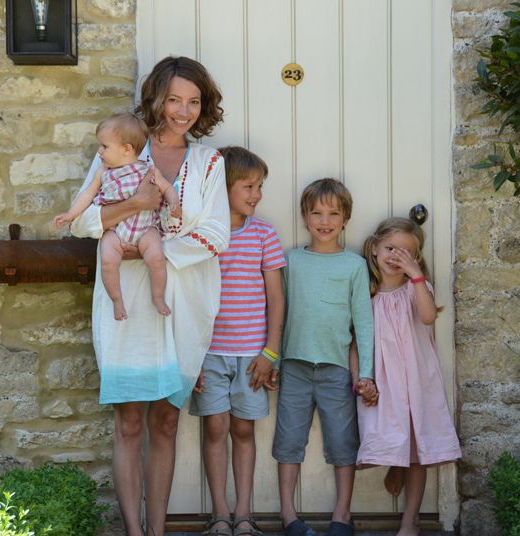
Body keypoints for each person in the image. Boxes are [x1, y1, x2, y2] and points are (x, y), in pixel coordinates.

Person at [69, 56, 230, 536]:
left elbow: (217, 233)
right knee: (129, 423)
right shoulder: (118, 152)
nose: (183, 111)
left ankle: (157, 532)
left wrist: (148, 251)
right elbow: (82, 222)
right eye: (174, 99)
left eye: (194, 101)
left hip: (181, 304)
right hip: (125, 309)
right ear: (155, 98)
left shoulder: (209, 163)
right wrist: (136, 207)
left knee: (165, 422)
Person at [190, 146, 286, 536]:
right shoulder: (202, 234)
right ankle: (219, 514)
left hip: (252, 354)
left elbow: (276, 297)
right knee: (215, 428)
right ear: (223, 187)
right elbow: (190, 296)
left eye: (260, 186)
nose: (257, 194)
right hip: (209, 352)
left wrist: (270, 352)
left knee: (243, 431)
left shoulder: (263, 234)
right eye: (248, 186)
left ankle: (244, 515)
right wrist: (190, 357)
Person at [273, 178, 375, 536]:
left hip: (337, 371)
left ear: (346, 218)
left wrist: (367, 373)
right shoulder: (291, 260)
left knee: (343, 444)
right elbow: (277, 314)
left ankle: (341, 516)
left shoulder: (354, 265)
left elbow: (363, 324)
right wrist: (272, 359)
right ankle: (289, 515)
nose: (325, 220)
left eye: (334, 213)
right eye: (317, 213)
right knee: (288, 442)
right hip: (295, 365)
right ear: (304, 217)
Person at [356, 217, 462, 536]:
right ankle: (396, 465)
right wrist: (363, 379)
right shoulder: (365, 293)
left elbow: (428, 317)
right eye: (390, 248)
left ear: (415, 259)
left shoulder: (418, 289)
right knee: (391, 434)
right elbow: (354, 341)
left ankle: (409, 521)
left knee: (419, 445)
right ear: (374, 249)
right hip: (384, 382)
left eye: (405, 252)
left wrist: (416, 276)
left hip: (417, 382)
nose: (395, 256)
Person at [54, 112, 180, 319]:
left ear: (127, 149)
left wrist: (174, 202)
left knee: (157, 258)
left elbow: (166, 188)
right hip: (115, 230)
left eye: (104, 146)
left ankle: (158, 296)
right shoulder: (103, 172)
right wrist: (70, 214)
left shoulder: (148, 170)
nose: (99, 152)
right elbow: (87, 195)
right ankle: (117, 299)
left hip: (145, 228)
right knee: (108, 261)